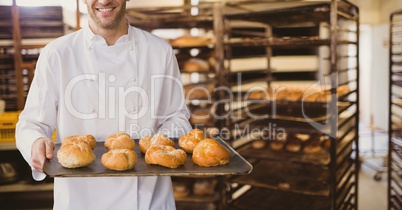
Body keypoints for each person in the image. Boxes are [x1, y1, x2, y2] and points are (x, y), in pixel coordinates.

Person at [15, 0, 191, 209]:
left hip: (148, 198)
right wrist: (35, 142)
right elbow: (30, 124)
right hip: (80, 200)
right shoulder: (57, 54)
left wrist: (159, 144)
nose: (104, 1)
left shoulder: (159, 51)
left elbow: (177, 117)